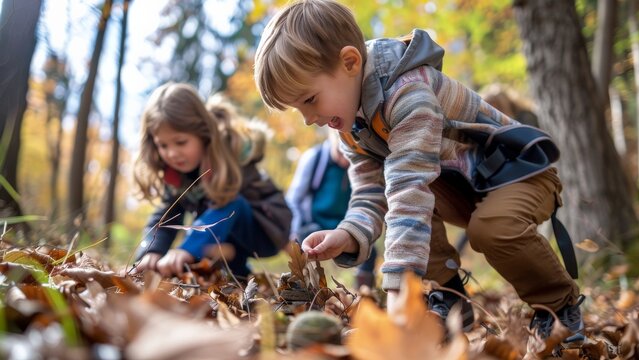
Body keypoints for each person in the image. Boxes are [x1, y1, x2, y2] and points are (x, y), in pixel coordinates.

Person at [253, 0, 584, 343]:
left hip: (519, 174)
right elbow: (371, 190)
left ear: (350, 62)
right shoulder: (350, 127)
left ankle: (558, 310)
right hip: (463, 187)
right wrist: (349, 233)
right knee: (417, 203)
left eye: (309, 100)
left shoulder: (408, 92)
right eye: (298, 109)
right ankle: (450, 301)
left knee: (487, 228)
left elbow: (409, 190)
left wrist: (399, 293)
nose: (308, 119)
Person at [132, 83, 291, 280]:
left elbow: (231, 206)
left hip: (264, 228)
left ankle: (201, 252)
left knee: (228, 204)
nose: (172, 153)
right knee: (204, 230)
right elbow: (167, 215)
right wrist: (151, 251)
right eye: (162, 145)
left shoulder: (228, 156)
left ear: (203, 134)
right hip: (225, 231)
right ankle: (237, 272)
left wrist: (186, 249)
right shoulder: (175, 173)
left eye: (180, 142)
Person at [286, 130, 378, 288]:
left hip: (343, 226)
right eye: (340, 153)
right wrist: (294, 230)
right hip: (315, 224)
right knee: (303, 245)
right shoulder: (314, 158)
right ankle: (300, 292)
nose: (344, 160)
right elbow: (294, 199)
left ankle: (365, 296)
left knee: (370, 251)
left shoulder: (359, 166)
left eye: (348, 155)